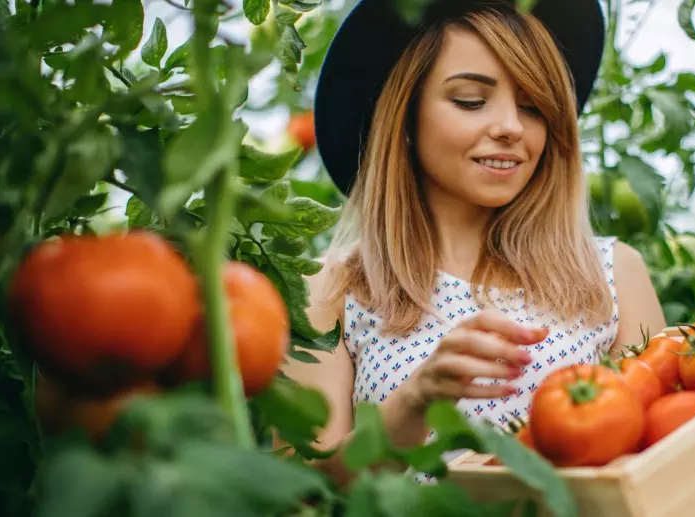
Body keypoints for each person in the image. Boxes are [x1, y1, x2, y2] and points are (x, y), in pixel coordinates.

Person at [284, 0, 667, 488]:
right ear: (404, 116)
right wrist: (414, 400)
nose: (511, 125)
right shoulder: (330, 290)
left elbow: (662, 451)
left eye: (532, 106)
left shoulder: (611, 272)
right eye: (470, 100)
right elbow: (303, 493)